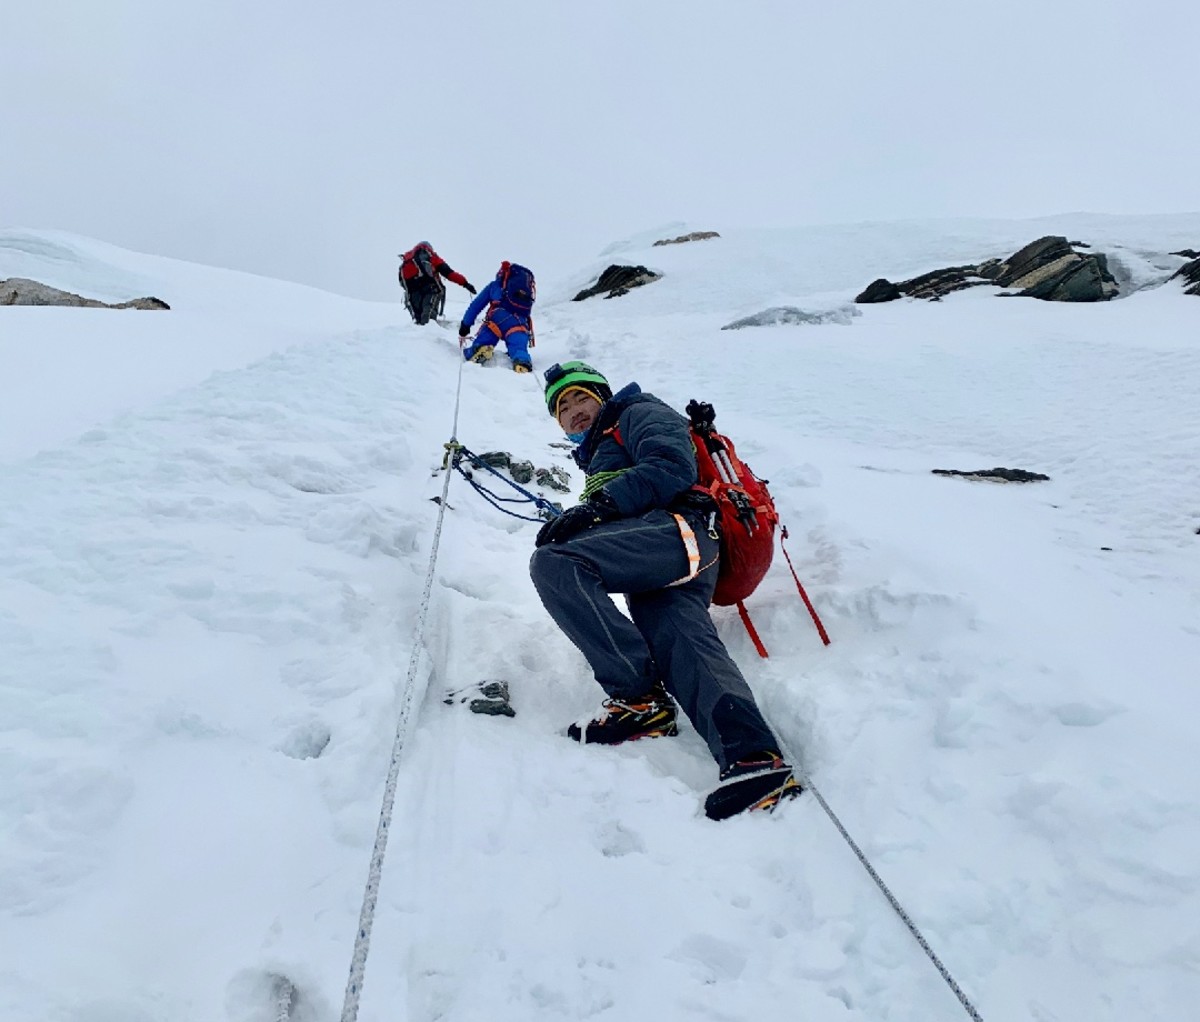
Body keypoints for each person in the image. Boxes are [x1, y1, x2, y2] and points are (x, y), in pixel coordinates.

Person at [528, 361, 801, 819]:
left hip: (680, 531)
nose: (573, 409)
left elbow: (671, 466)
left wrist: (599, 508)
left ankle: (638, 698)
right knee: (681, 639)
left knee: (556, 563)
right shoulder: (600, 452)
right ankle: (755, 760)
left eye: (580, 396)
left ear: (602, 395)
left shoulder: (635, 411)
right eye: (561, 407)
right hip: (672, 551)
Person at [458, 262, 536, 373]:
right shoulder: (525, 292)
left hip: (497, 319)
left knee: (487, 335)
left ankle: (481, 348)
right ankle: (521, 361)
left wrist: (465, 325)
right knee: (518, 346)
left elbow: (476, 306)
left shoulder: (495, 285)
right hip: (519, 323)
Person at [399, 242, 475, 325]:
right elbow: (449, 273)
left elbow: (402, 281)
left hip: (412, 292)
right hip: (431, 289)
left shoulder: (408, 259)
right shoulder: (432, 257)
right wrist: (465, 283)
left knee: (418, 319)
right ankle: (429, 331)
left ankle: (418, 332)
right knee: (429, 317)